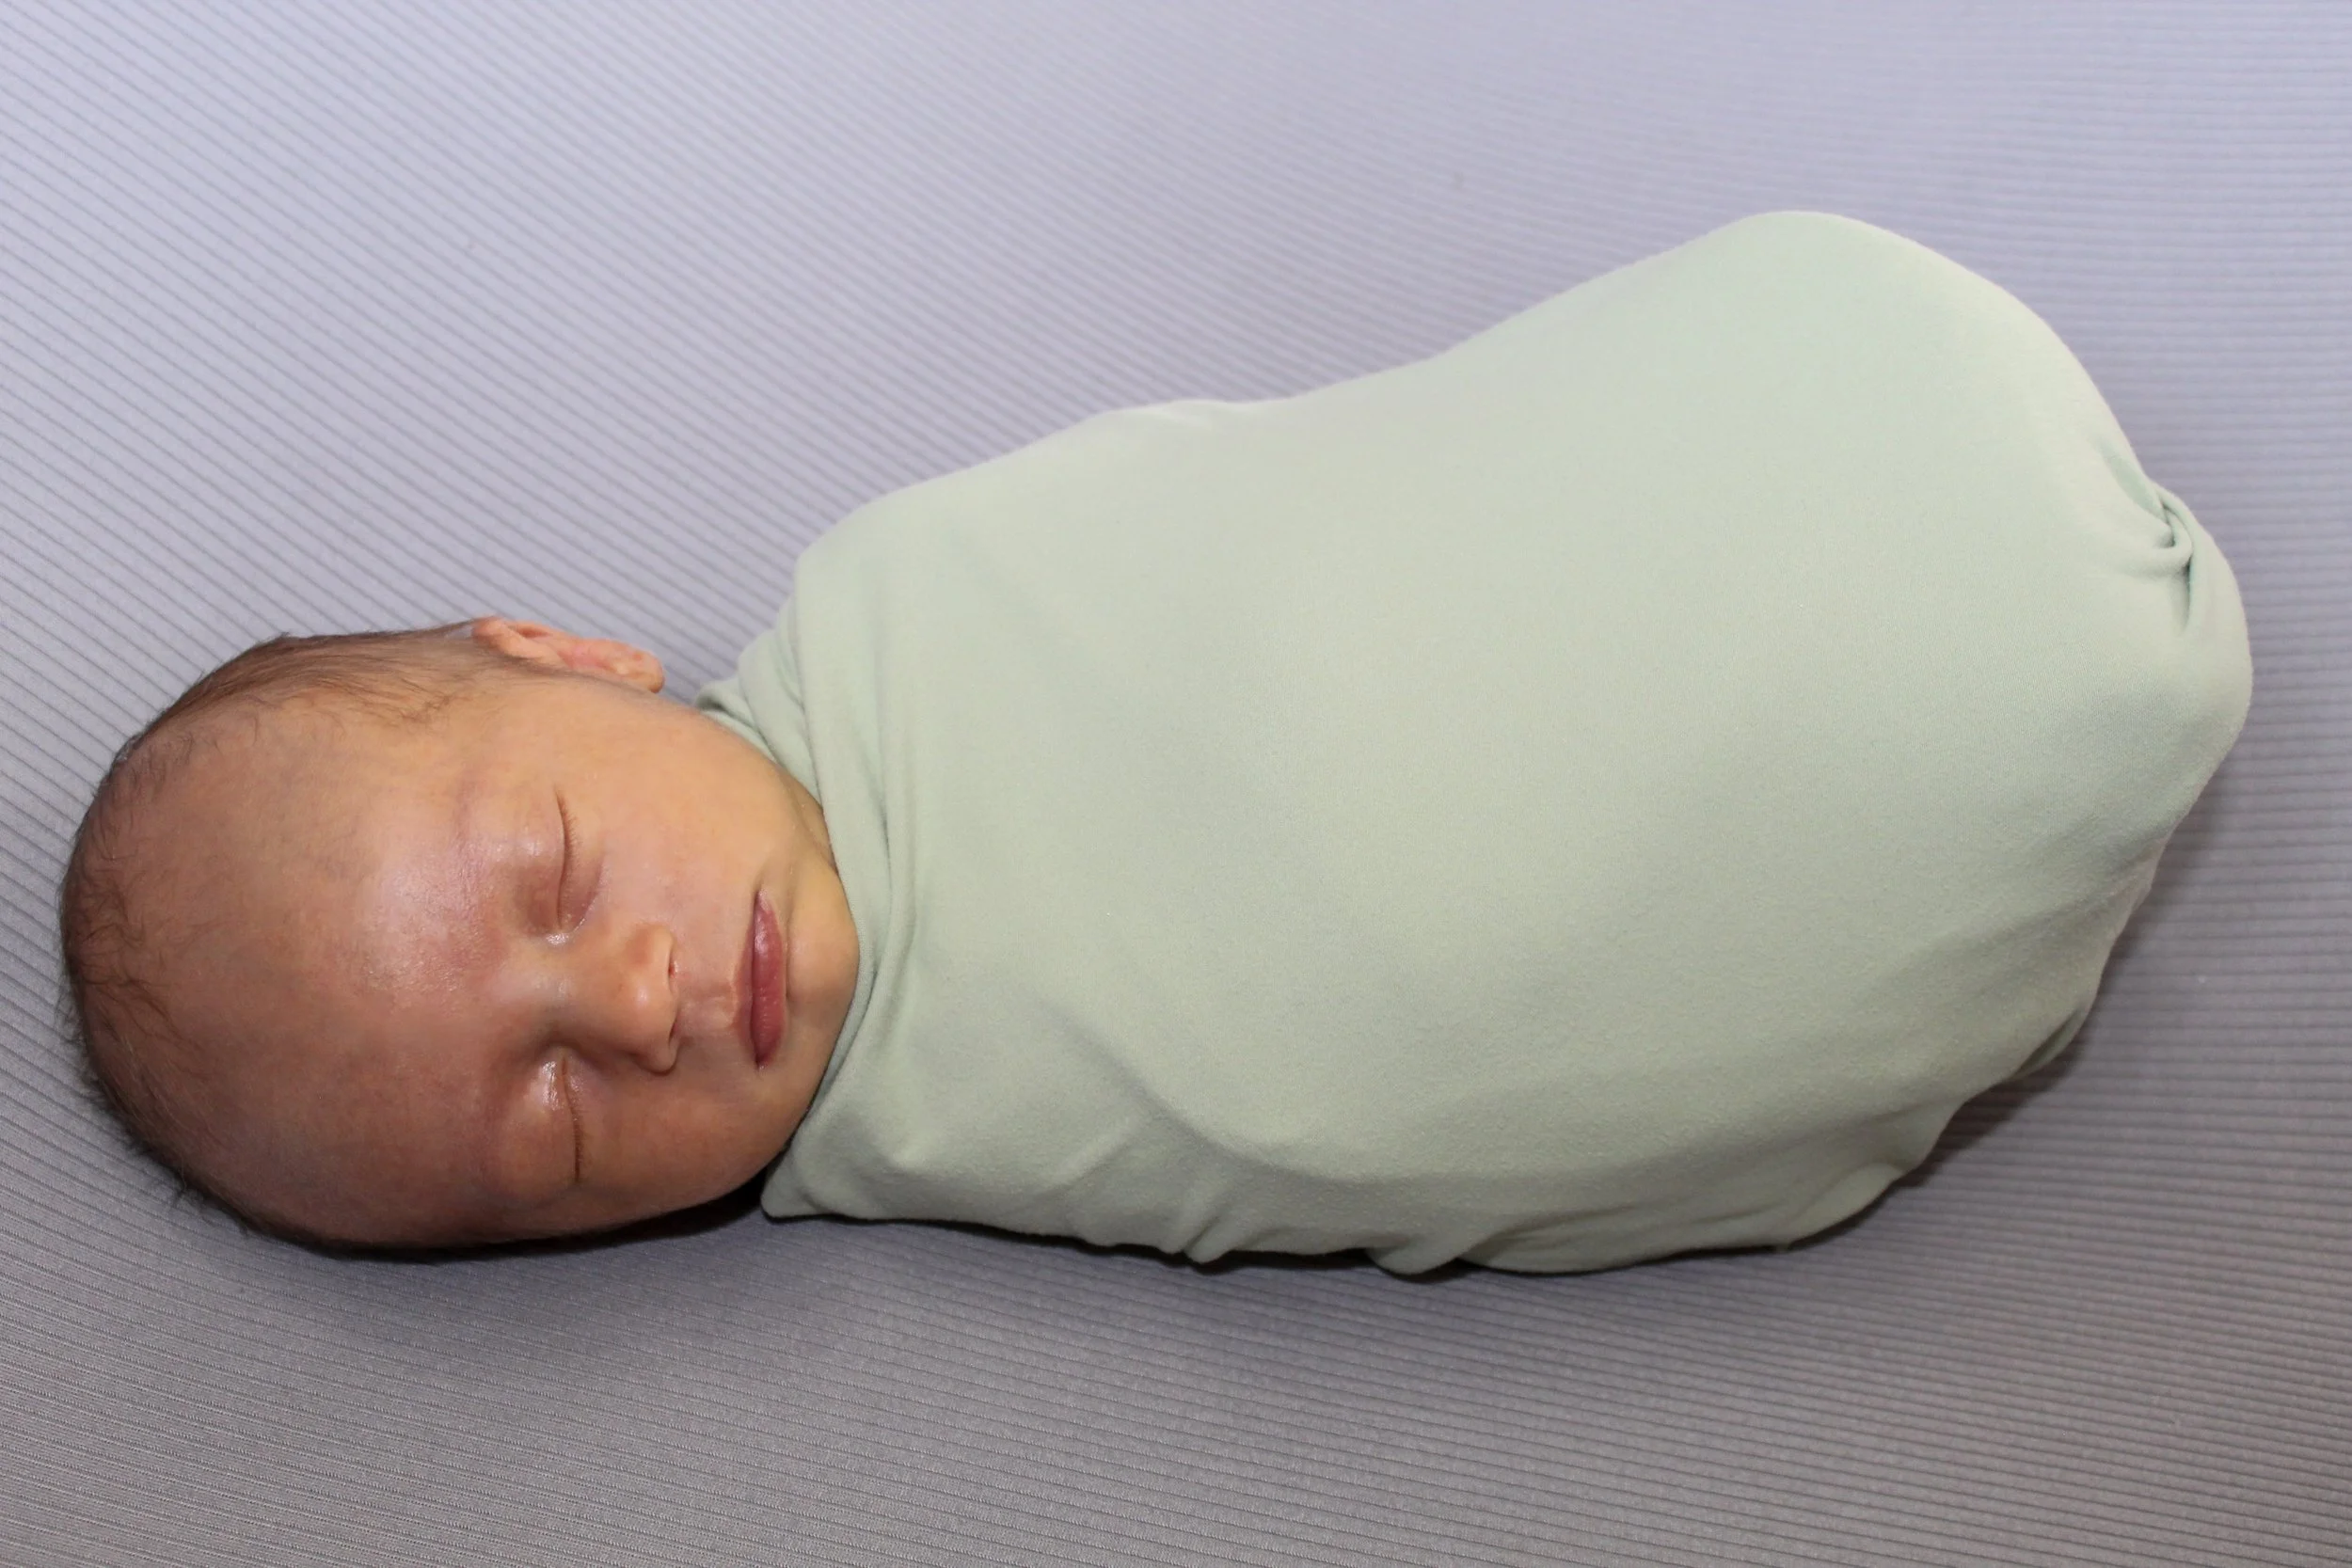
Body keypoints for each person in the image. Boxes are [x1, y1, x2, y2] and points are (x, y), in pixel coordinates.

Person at [57, 212, 2252, 1274]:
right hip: (1927, 819)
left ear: (573, 650)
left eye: (551, 873)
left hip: (1845, 385)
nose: (627, 998)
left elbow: (1259, 527)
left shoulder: (900, 601)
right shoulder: (952, 1130)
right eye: (536, 1116)